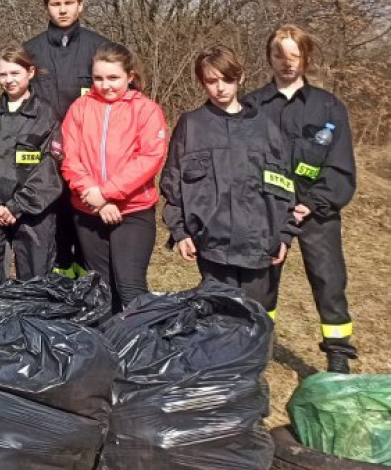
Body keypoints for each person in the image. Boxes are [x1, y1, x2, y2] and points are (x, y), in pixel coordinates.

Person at [247, 25, 359, 373]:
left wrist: (312, 202)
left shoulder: (328, 107)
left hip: (316, 212)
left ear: (306, 58)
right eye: (280, 55)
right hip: (266, 212)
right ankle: (256, 350)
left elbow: (340, 165)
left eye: (295, 56)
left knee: (329, 282)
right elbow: (242, 161)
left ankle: (338, 355)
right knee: (261, 284)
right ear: (269, 56)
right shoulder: (251, 105)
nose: (287, 63)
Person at [161, 46, 297, 316]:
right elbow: (173, 182)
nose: (220, 88)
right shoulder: (192, 125)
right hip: (212, 243)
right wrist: (180, 231)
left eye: (227, 79)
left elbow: (283, 185)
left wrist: (285, 233)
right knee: (218, 317)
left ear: (241, 77)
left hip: (259, 244)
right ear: (202, 83)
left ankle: (256, 357)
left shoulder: (265, 126)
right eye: (211, 81)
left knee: (255, 316)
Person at [60, 42, 167, 312]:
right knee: (100, 287)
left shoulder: (146, 110)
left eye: (113, 78)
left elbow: (149, 158)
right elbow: (70, 158)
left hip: (133, 211)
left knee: (129, 285)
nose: (106, 85)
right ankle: (107, 346)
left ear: (129, 76)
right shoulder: (80, 108)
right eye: (98, 78)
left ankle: (139, 346)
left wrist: (108, 192)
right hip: (88, 210)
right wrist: (97, 199)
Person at [23, 0, 111, 278]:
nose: (63, 10)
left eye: (68, 3)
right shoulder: (30, 51)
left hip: (88, 157)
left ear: (80, 6)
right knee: (53, 227)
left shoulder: (99, 48)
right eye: (56, 4)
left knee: (86, 224)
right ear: (46, 7)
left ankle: (92, 286)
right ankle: (58, 287)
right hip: (45, 155)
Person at [0, 47, 63, 289]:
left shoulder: (46, 116)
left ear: (30, 72)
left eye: (15, 73)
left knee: (36, 280)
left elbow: (49, 171)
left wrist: (17, 206)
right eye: (2, 74)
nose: (9, 80)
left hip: (33, 213)